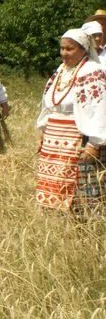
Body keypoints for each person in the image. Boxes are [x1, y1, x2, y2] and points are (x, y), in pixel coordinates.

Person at [35, 29, 106, 215]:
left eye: (69, 49)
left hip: (76, 136)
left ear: (83, 49)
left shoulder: (92, 71)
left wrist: (95, 142)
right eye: (62, 48)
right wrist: (43, 130)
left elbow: (100, 108)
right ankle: (56, 221)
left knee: (80, 187)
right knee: (54, 185)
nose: (64, 53)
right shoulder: (62, 70)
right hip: (54, 135)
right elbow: (49, 102)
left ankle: (82, 226)